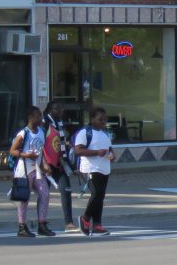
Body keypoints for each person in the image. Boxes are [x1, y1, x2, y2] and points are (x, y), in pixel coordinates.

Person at [9, 106, 56, 238]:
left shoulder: (41, 131)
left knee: (45, 194)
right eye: (38, 116)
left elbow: (40, 151)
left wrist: (45, 164)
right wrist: (27, 155)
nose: (41, 118)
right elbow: (12, 151)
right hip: (24, 169)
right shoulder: (23, 133)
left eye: (41, 116)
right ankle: (22, 227)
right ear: (30, 118)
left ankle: (42, 225)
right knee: (24, 198)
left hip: (37, 169)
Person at [74, 106, 115, 236]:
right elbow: (78, 150)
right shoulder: (85, 132)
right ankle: (85, 218)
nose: (103, 122)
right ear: (92, 119)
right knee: (96, 194)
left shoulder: (105, 133)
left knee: (100, 196)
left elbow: (110, 149)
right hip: (90, 168)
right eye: (100, 119)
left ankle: (97, 225)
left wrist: (112, 155)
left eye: (105, 119)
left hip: (104, 169)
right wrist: (97, 152)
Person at [42, 101, 76, 232]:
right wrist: (44, 163)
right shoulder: (45, 123)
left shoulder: (60, 123)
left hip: (59, 163)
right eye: (57, 108)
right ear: (50, 109)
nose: (61, 110)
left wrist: (71, 165)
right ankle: (41, 223)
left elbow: (61, 144)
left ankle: (69, 223)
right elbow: (39, 144)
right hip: (46, 164)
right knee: (44, 194)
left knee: (66, 190)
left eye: (62, 108)